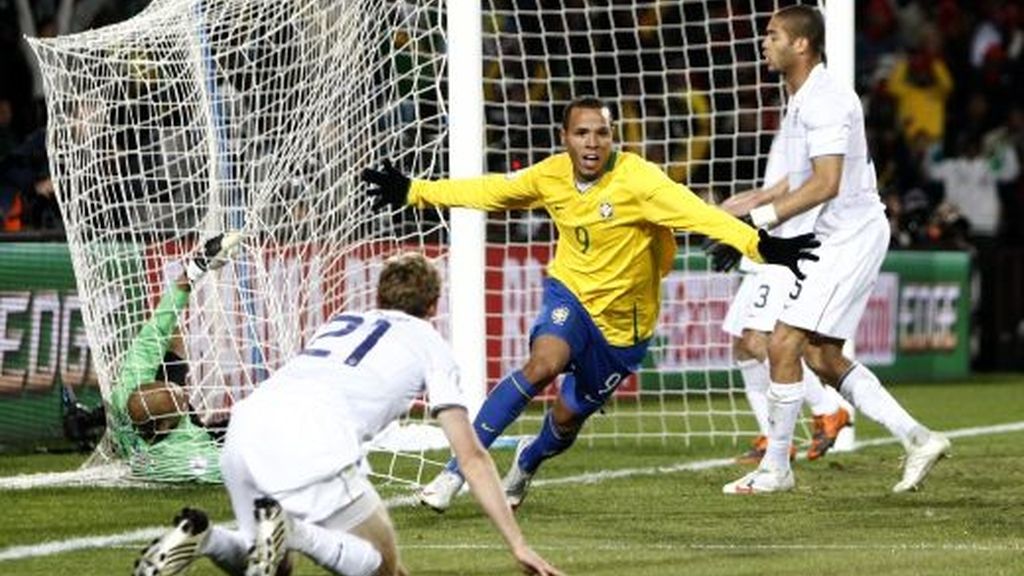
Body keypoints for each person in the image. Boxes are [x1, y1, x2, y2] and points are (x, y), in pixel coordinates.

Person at [361, 95, 821, 512]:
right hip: (571, 295)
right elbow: (493, 190)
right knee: (543, 363)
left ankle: (526, 462)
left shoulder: (640, 180)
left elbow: (700, 214)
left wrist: (763, 247)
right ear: (566, 139)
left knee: (564, 420)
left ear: (613, 138)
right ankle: (453, 474)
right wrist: (416, 192)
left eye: (602, 133)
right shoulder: (551, 175)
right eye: (581, 133)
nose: (592, 143)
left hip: (624, 329)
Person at [134, 252, 562, 576]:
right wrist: (518, 543)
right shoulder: (429, 343)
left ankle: (203, 536)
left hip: (247, 427)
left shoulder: (342, 320)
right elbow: (470, 457)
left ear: (379, 296)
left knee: (268, 561)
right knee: (383, 567)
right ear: (434, 305)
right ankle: (294, 530)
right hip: (314, 436)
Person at [720, 5, 950, 495]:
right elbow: (799, 180)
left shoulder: (823, 99)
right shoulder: (804, 99)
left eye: (773, 35)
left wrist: (759, 224)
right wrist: (737, 214)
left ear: (801, 44)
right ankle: (919, 438)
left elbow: (825, 184)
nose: (765, 43)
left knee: (780, 344)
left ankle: (777, 469)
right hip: (837, 233)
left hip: (849, 234)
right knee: (821, 356)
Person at [712, 132, 851, 465]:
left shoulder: (813, 127)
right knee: (745, 348)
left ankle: (828, 410)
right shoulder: (790, 125)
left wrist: (721, 217)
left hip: (787, 245)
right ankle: (774, 438)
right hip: (767, 243)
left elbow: (777, 192)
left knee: (759, 341)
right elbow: (768, 190)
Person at [109, 231, 242, 483]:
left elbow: (157, 326)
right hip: (203, 441)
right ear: (167, 426)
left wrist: (196, 268)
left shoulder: (125, 392)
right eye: (178, 398)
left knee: (171, 334)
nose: (181, 392)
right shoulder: (186, 452)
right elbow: (232, 470)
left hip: (147, 433)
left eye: (170, 388)